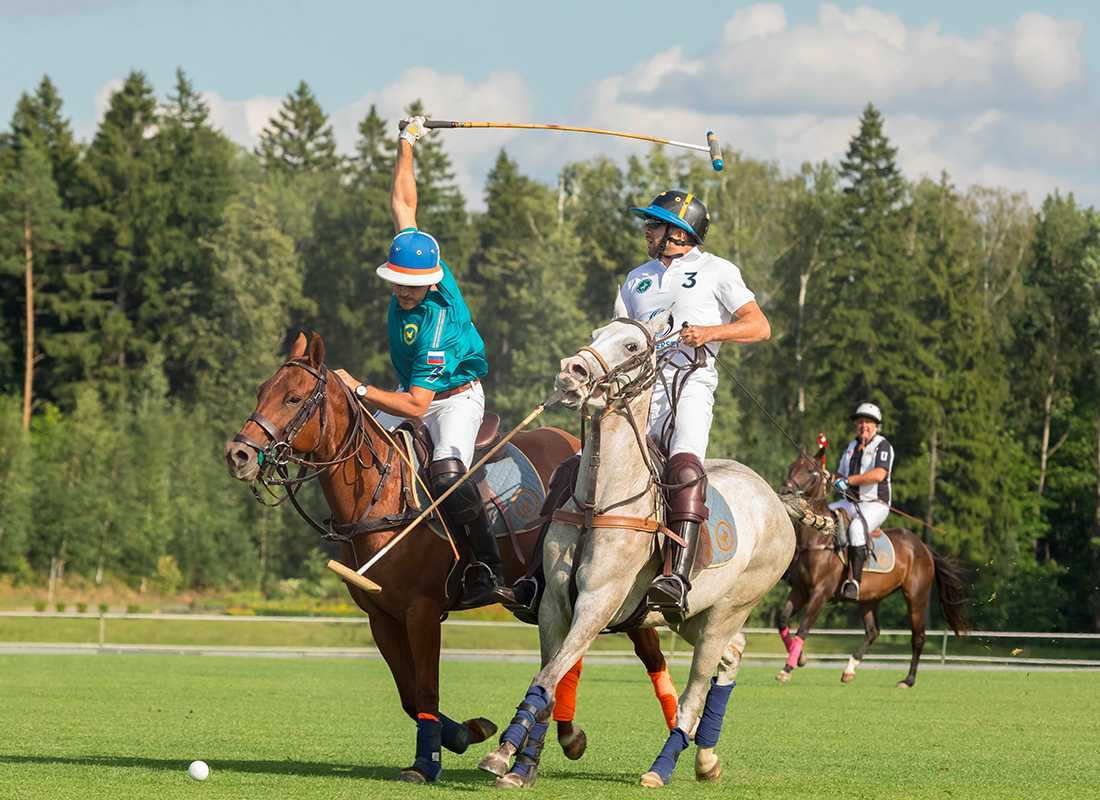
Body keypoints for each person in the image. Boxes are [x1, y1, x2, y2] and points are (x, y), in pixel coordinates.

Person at [334, 115, 503, 607]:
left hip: (450, 399)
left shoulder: (435, 325)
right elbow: (403, 203)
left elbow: (415, 405)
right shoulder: (421, 259)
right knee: (352, 444)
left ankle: (487, 567)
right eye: (398, 282)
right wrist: (407, 143)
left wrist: (360, 390)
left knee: (448, 472)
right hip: (413, 391)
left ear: (432, 281)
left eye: (413, 285)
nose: (404, 292)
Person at [613, 190, 771, 621]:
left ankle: (677, 576)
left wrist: (710, 332)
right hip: (641, 390)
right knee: (589, 461)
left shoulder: (716, 269)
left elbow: (759, 326)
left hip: (692, 382)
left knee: (683, 468)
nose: (646, 230)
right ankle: (540, 574)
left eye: (654, 224)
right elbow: (617, 337)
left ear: (679, 232)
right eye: (648, 224)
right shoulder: (635, 279)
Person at [828, 402, 894, 601]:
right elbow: (840, 473)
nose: (863, 425)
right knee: (821, 515)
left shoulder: (883, 446)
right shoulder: (851, 447)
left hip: (876, 504)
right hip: (849, 502)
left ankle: (854, 582)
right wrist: (828, 476)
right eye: (860, 422)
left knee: (856, 528)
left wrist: (847, 481)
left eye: (868, 422)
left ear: (876, 426)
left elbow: (879, 474)